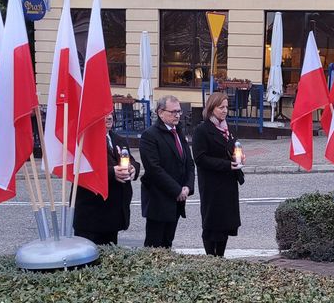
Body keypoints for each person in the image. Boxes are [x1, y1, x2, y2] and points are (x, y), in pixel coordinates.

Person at [73, 113, 140, 245]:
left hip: (113, 215)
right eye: (103, 114)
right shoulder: (84, 140)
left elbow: (130, 159)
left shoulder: (118, 139)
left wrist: (133, 168)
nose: (109, 117)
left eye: (110, 113)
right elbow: (81, 170)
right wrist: (111, 172)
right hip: (91, 215)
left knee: (109, 257)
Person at [192, 92, 245, 257]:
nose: (224, 110)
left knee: (225, 224)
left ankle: (220, 257)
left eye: (226, 107)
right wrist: (227, 164)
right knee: (212, 224)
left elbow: (230, 149)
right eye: (221, 107)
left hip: (228, 183)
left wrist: (238, 157)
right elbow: (200, 159)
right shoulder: (202, 129)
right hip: (212, 184)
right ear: (211, 108)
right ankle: (211, 258)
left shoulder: (226, 128)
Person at [139, 95, 195, 248]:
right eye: (173, 112)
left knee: (168, 243)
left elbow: (189, 164)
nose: (177, 115)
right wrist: (177, 190)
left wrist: (187, 187)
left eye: (179, 111)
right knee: (154, 246)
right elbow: (154, 169)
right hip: (158, 200)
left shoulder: (178, 132)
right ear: (160, 112)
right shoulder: (150, 135)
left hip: (177, 200)